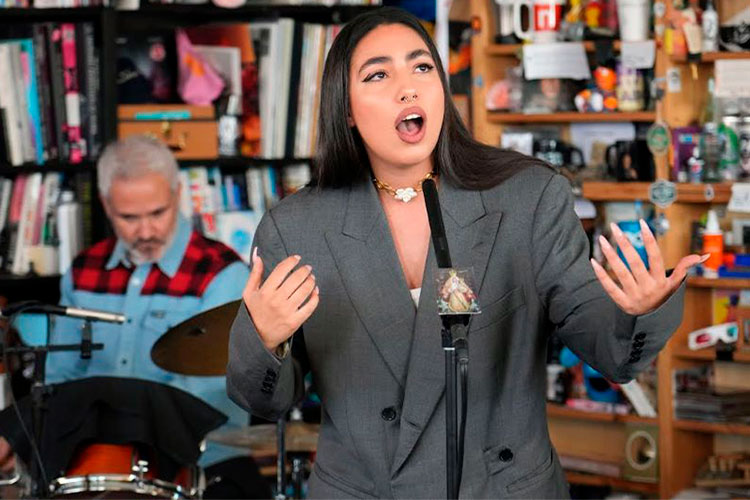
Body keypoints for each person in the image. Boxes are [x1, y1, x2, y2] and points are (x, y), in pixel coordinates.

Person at [226, 8, 703, 499]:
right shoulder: (296, 227)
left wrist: (639, 313)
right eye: (378, 74)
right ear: (346, 109)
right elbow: (267, 403)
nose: (407, 88)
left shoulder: (527, 197)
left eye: (422, 67)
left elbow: (607, 349)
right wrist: (263, 338)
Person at [0, 135, 268, 498]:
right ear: (106, 205)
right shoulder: (83, 272)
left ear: (177, 195)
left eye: (157, 213)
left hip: (199, 461)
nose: (145, 231)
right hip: (94, 459)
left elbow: (208, 398)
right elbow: (60, 381)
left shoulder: (223, 275)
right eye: (129, 217)